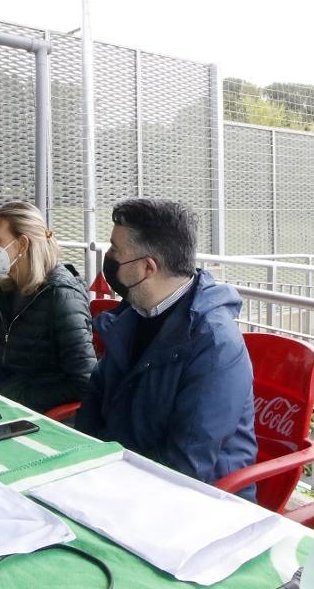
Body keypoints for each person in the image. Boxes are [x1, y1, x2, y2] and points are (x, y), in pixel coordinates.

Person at [75, 199, 258, 495]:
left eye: (115, 250)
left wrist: (109, 486)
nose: (107, 258)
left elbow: (187, 465)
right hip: (116, 477)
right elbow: (94, 402)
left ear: (148, 267)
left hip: (196, 502)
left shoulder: (215, 344)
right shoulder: (132, 315)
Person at [0, 202, 96, 413]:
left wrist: (13, 397)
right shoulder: (5, 289)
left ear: (22, 244)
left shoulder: (62, 295)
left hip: (36, 414)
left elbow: (84, 381)